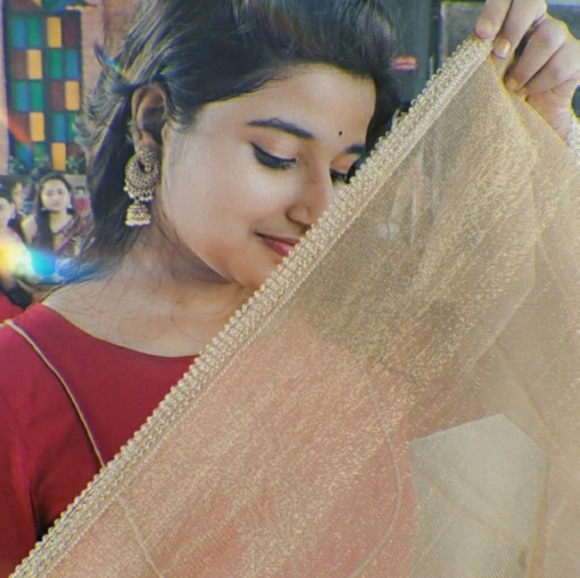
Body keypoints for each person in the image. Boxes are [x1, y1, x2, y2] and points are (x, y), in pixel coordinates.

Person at [0, 0, 578, 574]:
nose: (320, 210)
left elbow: (549, 384)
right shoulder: (22, 385)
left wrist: (544, 127)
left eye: (342, 172)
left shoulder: (357, 336)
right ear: (153, 123)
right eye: (276, 157)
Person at [21, 173, 90, 280]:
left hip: (74, 283)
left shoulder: (81, 224)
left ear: (69, 195)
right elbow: (22, 261)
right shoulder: (30, 225)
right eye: (49, 194)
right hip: (39, 283)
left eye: (60, 192)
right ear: (41, 198)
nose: (55, 198)